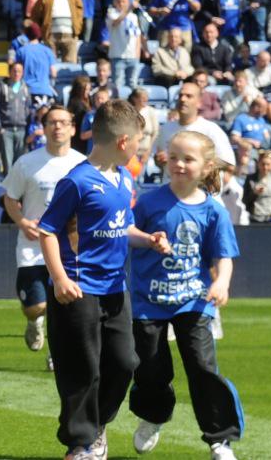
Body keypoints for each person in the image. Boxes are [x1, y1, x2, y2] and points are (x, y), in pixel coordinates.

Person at [37, 99, 172, 460]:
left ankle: (97, 426)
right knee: (82, 370)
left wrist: (147, 239)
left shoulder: (124, 177)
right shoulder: (77, 181)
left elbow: (120, 225)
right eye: (140, 142)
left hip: (116, 288)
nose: (141, 148)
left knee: (126, 362)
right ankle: (80, 444)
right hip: (79, 290)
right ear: (125, 142)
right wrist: (60, 278)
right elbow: (47, 231)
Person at [128, 131, 243, 460]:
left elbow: (224, 255)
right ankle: (152, 415)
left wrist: (221, 283)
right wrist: (148, 239)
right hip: (147, 302)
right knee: (151, 370)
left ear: (206, 167)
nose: (179, 164)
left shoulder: (214, 211)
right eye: (174, 157)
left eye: (188, 159)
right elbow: (126, 232)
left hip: (193, 302)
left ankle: (219, 440)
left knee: (203, 369)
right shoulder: (149, 201)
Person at [2, 106, 84, 361]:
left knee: (64, 304)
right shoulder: (27, 163)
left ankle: (55, 354)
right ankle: (34, 322)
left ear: (72, 127)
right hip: (31, 246)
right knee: (35, 306)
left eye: (63, 122)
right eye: (52, 122)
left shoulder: (82, 164)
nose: (57, 127)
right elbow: (10, 198)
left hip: (67, 248)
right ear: (44, 127)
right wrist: (23, 222)